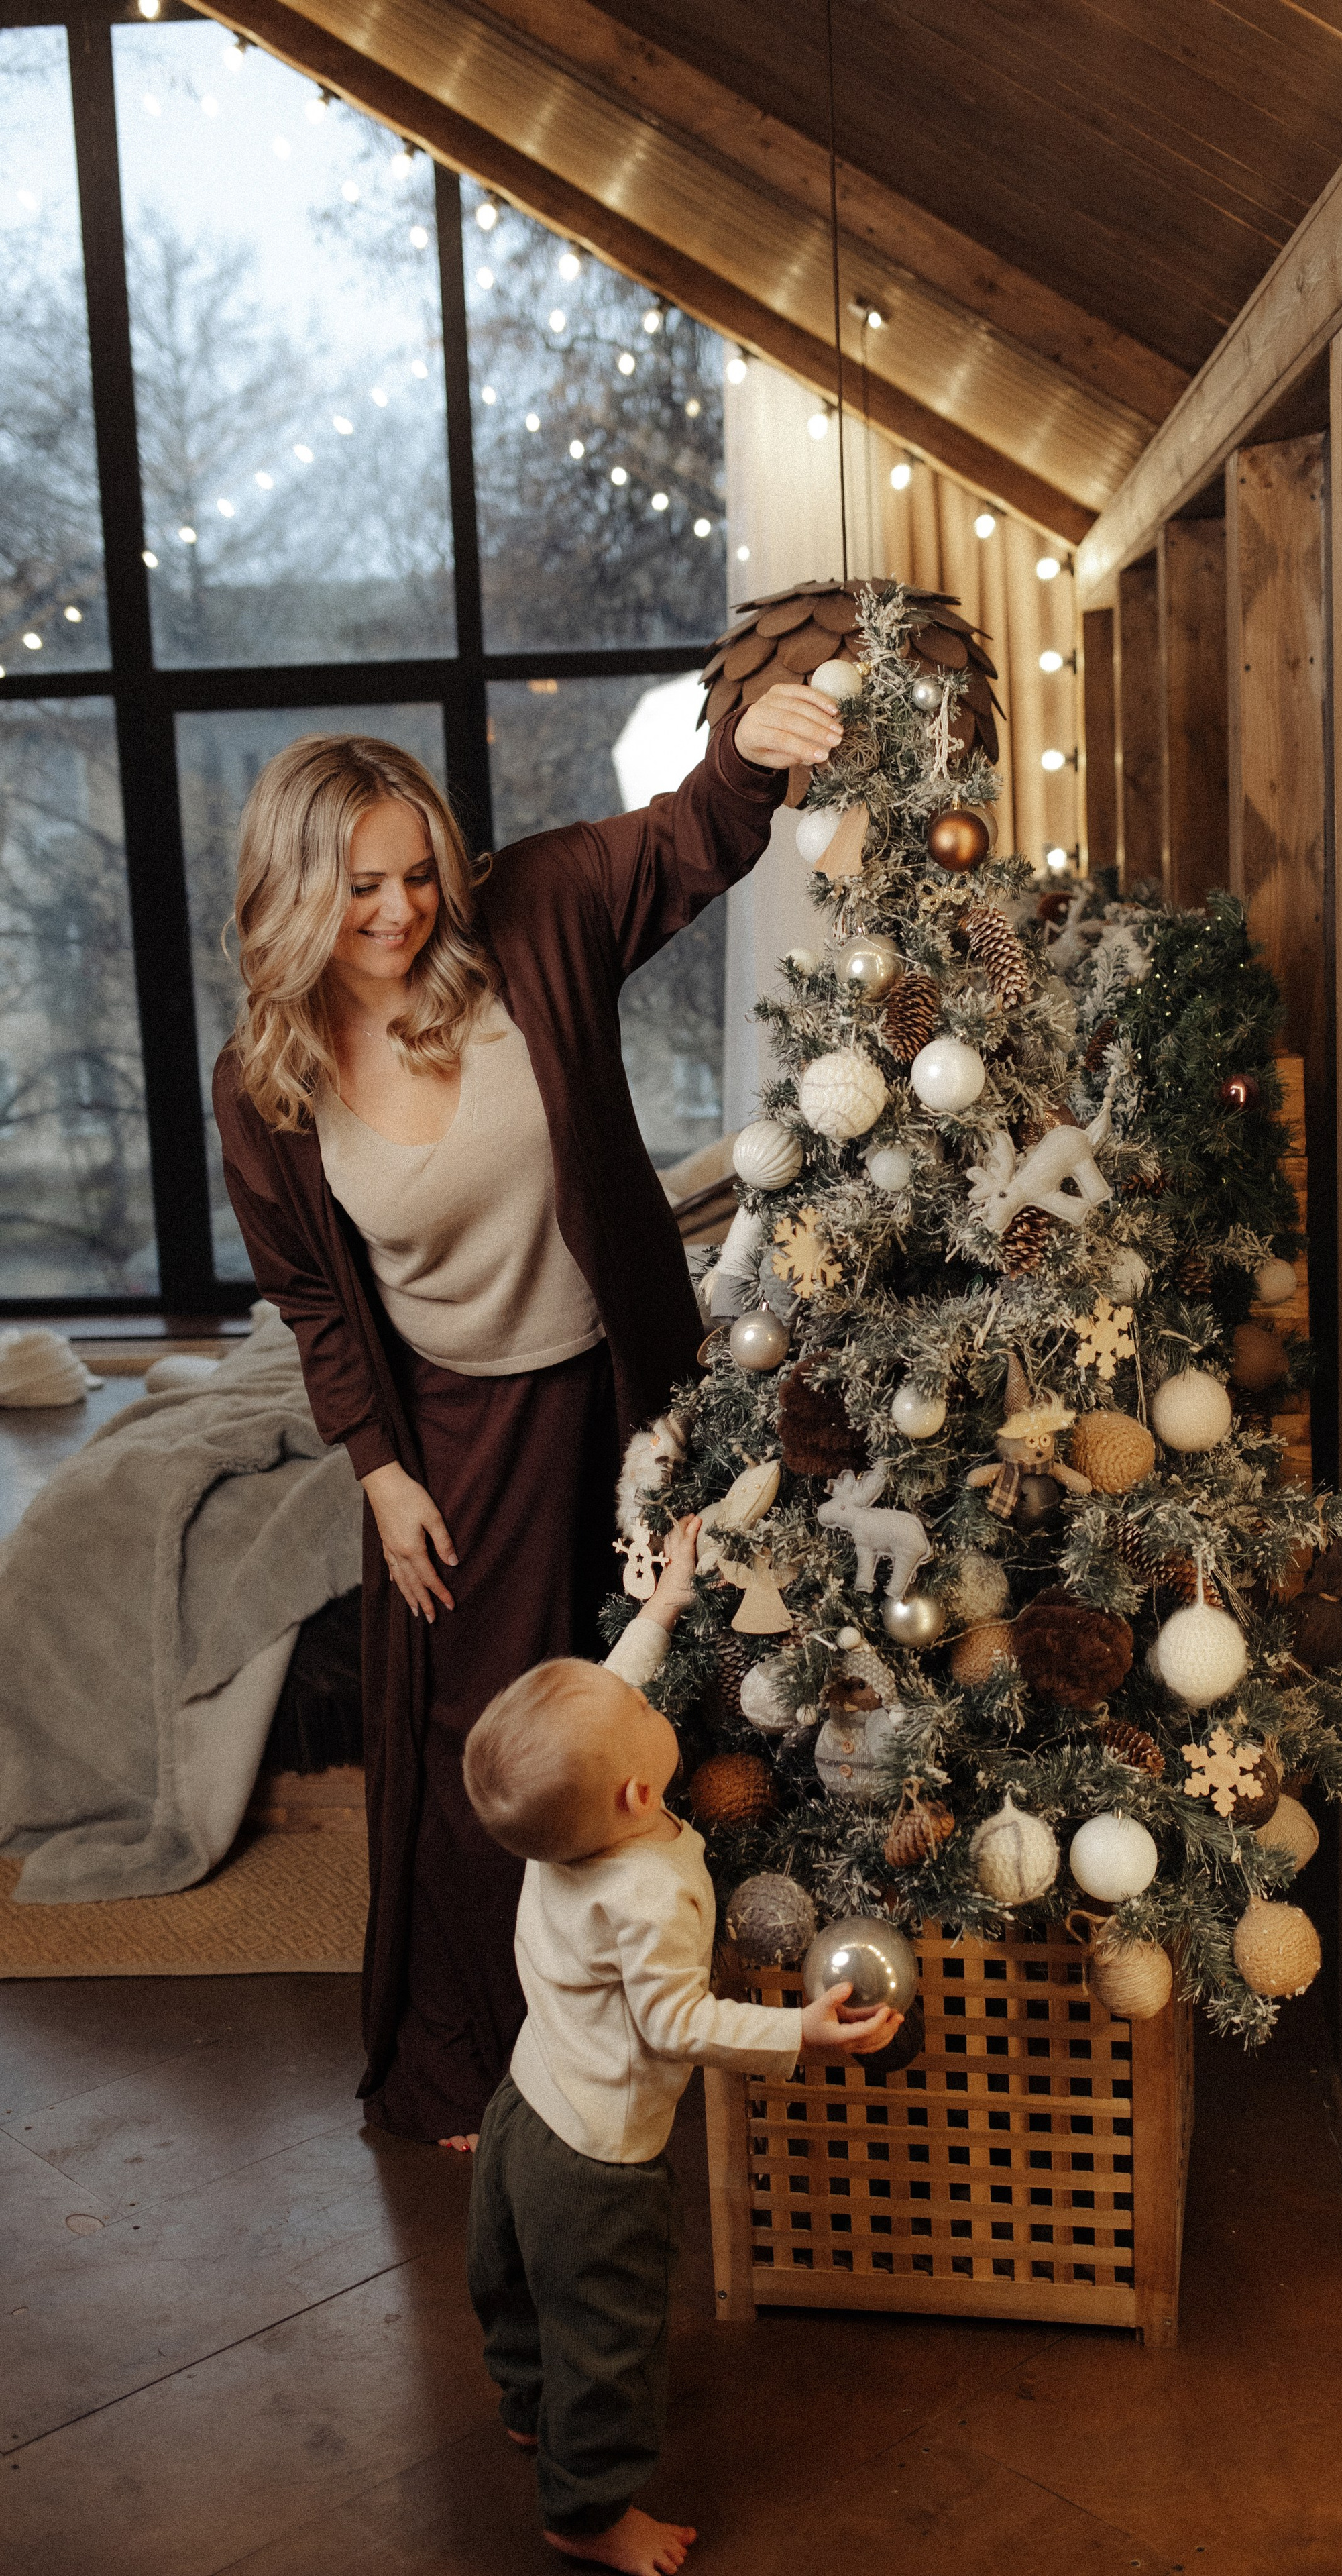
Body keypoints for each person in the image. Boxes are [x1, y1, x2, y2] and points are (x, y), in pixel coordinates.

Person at [213, 686, 843, 2148]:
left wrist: (744, 746)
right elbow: (313, 1297)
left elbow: (685, 837)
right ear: (296, 891)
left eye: (418, 871)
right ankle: (478, 2066)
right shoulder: (268, 1086)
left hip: (628, 1394)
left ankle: (681, 2032)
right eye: (361, 884)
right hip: (452, 1434)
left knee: (674, 1698)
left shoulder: (535, 911)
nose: (401, 908)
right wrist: (375, 1464)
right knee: (474, 1751)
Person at [462, 1515, 899, 2575]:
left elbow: (606, 1696)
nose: (646, 1701)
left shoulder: (561, 1811)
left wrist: (662, 1605)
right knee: (612, 2336)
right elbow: (678, 2023)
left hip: (524, 2106)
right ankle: (588, 2506)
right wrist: (798, 2031)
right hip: (599, 2158)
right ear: (641, 1795)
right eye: (642, 1720)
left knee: (513, 2278)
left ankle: (527, 2404)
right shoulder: (649, 1886)